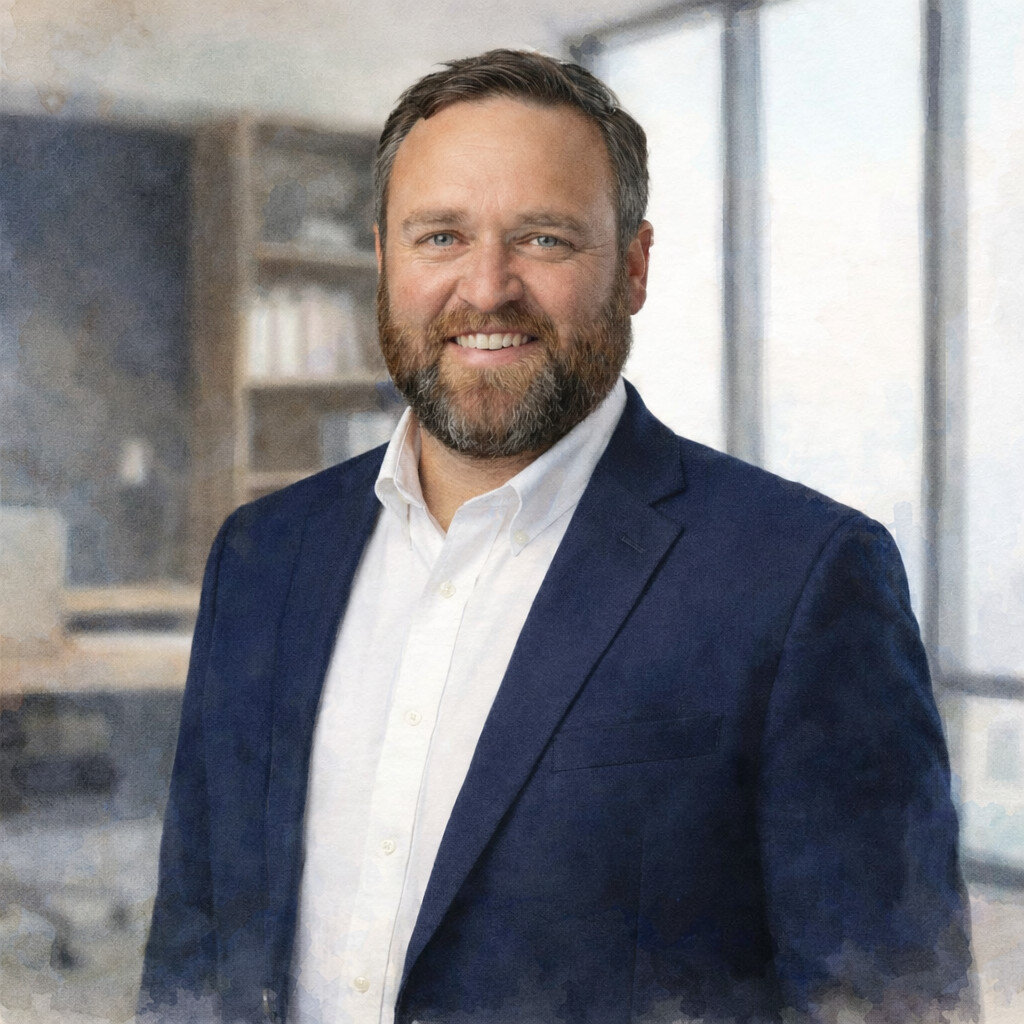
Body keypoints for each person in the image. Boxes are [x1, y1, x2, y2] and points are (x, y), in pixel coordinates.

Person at [140, 49, 975, 1024]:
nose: (486, 287)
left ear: (631, 267)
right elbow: (191, 958)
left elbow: (892, 1003)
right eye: (439, 235)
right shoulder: (261, 556)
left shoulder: (800, 578)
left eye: (542, 238)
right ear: (383, 259)